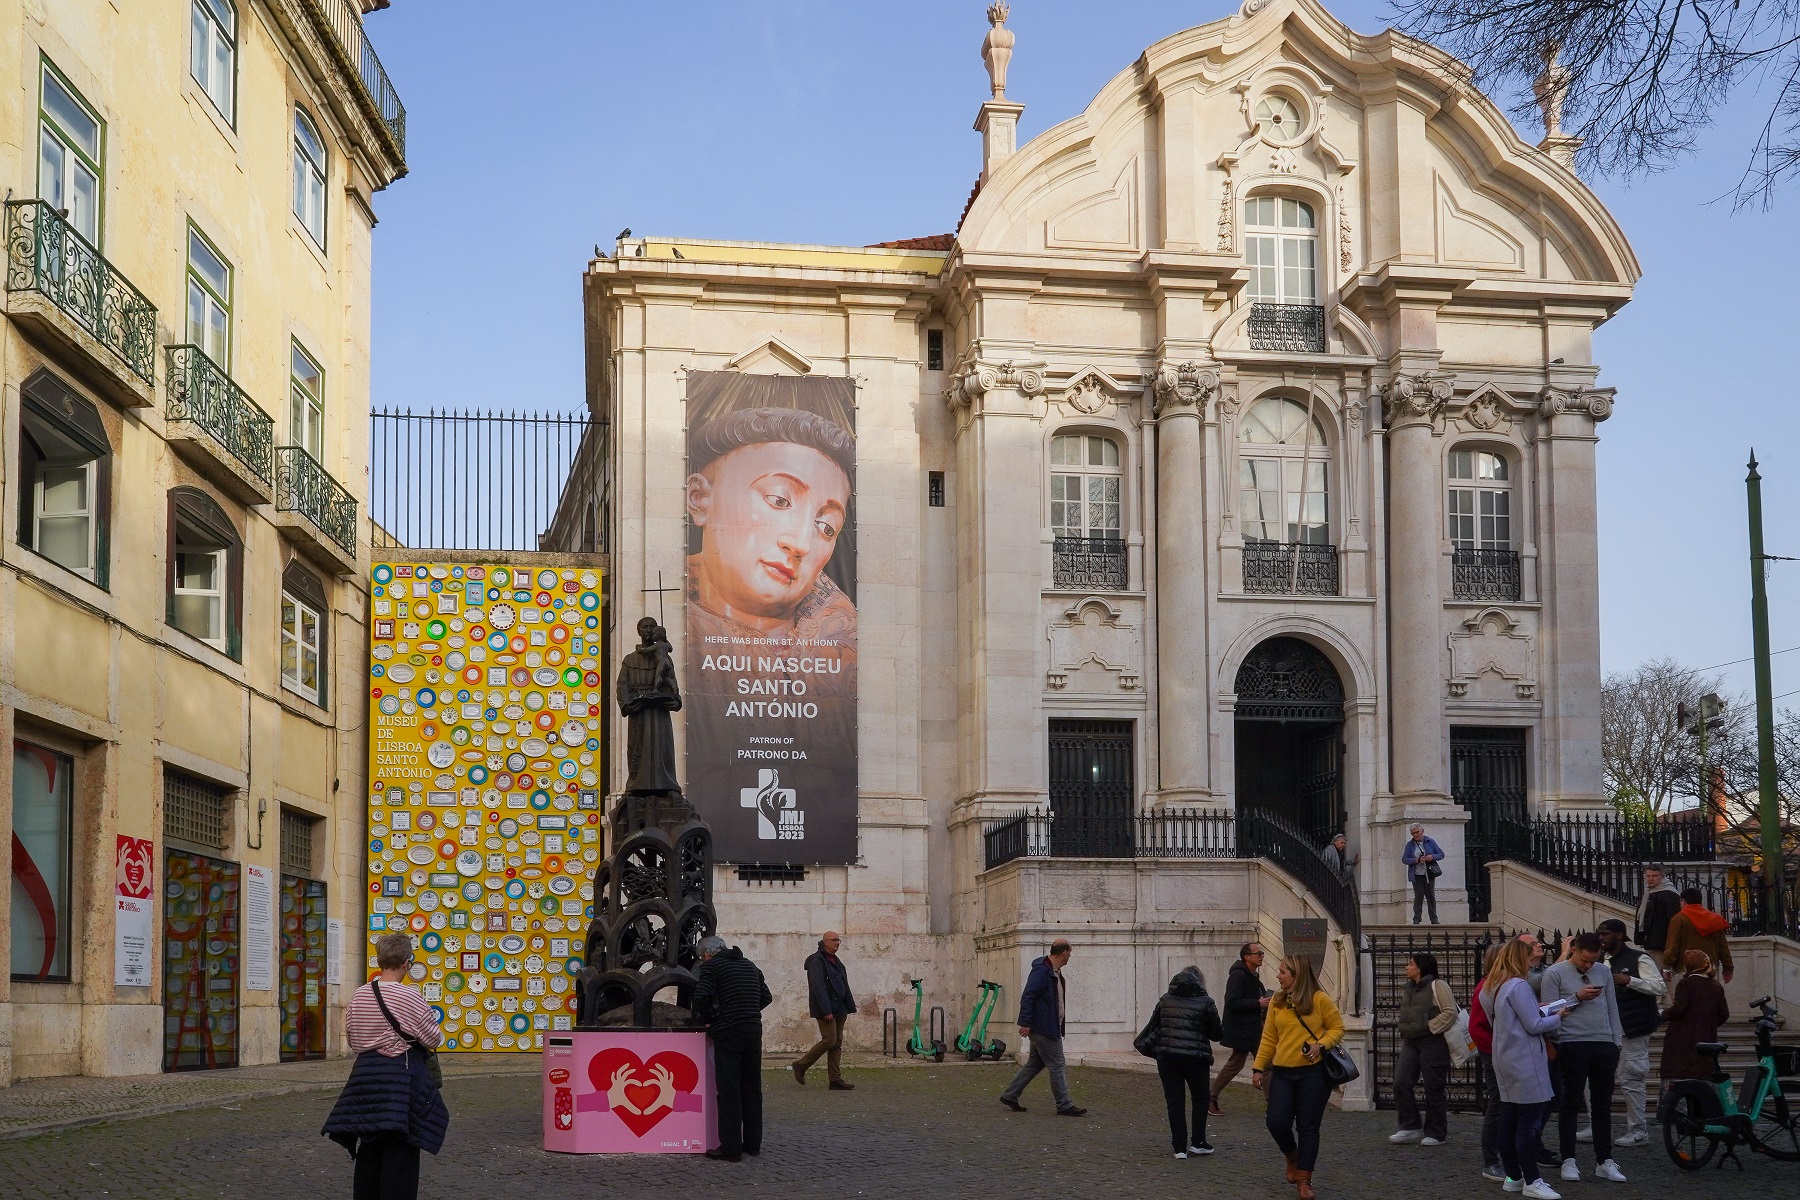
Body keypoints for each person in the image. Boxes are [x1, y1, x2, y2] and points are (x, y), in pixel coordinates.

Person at [321, 933, 448, 1200]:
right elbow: (433, 1038)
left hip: (366, 1077)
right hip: (401, 1080)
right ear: (406, 962)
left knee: (369, 1147)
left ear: (380, 961)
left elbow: (354, 1039)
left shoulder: (359, 995)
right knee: (401, 1151)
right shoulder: (410, 997)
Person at [1252, 955, 1344, 1200]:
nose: (1278, 975)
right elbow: (1269, 1037)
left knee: (1308, 1128)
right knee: (1276, 1122)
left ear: (1297, 975)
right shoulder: (1277, 1002)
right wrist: (1258, 1067)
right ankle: (1292, 1156)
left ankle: (1304, 1180)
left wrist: (1321, 1045)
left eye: (1283, 972)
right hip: (1282, 1072)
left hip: (1313, 1074)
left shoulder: (1319, 999)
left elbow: (1337, 1028)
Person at [1538, 932, 1627, 1183]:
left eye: (1593, 961)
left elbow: (1612, 1007)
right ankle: (1569, 1159)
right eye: (1584, 961)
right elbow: (1547, 1011)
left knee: (1602, 1104)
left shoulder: (1604, 971)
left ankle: (1604, 1160)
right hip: (1570, 1042)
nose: (1588, 966)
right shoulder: (1554, 973)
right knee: (1570, 1103)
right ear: (1573, 949)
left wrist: (1616, 1041)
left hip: (1603, 1043)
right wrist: (1575, 998)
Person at [1486, 938, 1567, 1200]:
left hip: (1507, 1059)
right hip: (1524, 1061)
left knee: (1509, 1120)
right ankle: (1531, 1179)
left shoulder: (1495, 986)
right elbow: (1533, 1025)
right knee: (1527, 1124)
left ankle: (1514, 1176)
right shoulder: (1518, 986)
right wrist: (1557, 1016)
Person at [693, 935, 773, 1161]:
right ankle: (753, 1144)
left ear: (707, 954)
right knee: (752, 1089)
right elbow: (766, 996)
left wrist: (712, 1019)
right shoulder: (750, 965)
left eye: (702, 957)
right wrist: (745, 1009)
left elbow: (701, 996)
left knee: (729, 1091)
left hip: (728, 1033)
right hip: (752, 1030)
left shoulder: (712, 967)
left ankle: (730, 1148)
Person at [1593, 918, 1665, 1148]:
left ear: (1619, 934)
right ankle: (1595, 1125)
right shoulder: (1599, 960)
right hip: (1606, 1027)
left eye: (1605, 934)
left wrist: (1630, 980)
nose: (1601, 938)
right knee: (1594, 1077)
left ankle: (1638, 1129)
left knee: (1632, 1076)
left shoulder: (1639, 958)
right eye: (1599, 934)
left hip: (1633, 1027)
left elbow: (1659, 987)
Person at [999, 938, 1087, 1116]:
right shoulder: (1042, 971)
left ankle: (1010, 1095)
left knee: (1035, 1064)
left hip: (1047, 1025)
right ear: (1063, 953)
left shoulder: (1054, 972)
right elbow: (1028, 996)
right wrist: (1025, 1022)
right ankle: (1064, 1104)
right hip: (1044, 1027)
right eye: (1069, 952)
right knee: (1057, 1064)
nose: (1070, 956)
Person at [1147, 965, 1225, 1159]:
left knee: (1175, 1102)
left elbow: (1155, 1027)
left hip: (1167, 1057)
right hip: (1195, 1058)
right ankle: (1198, 1142)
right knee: (1200, 1099)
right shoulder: (1206, 1002)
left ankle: (1179, 1147)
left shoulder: (1165, 1000)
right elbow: (1217, 1034)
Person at [1390, 950, 1457, 1147]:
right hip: (1411, 1041)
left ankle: (1436, 1132)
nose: (1407, 967)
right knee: (1401, 1081)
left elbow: (1450, 1011)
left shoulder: (1438, 986)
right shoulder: (1409, 988)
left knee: (1433, 1087)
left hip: (1432, 1042)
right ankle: (1410, 1126)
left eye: (1410, 964)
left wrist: (1429, 1027)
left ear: (1420, 968)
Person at [792, 930, 857, 1089]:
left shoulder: (835, 961)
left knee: (837, 1043)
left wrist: (849, 1006)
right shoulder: (817, 962)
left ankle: (835, 1080)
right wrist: (826, 1009)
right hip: (827, 1009)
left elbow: (843, 984)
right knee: (830, 1040)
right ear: (825, 942)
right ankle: (801, 1065)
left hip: (840, 1008)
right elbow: (818, 987)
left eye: (838, 940)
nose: (837, 943)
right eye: (834, 940)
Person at [1211, 942, 1270, 1116]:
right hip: (1244, 1029)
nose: (1261, 956)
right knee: (1265, 1064)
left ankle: (1211, 1096)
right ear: (1247, 957)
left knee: (1245, 1063)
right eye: (1258, 953)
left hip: (1251, 1028)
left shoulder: (1252, 976)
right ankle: (1273, 1104)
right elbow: (1232, 1002)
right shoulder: (1238, 976)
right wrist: (1257, 1003)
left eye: (1262, 953)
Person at [1660, 949, 1731, 1081]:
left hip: (1682, 1040)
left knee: (1679, 1076)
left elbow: (1679, 1008)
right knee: (1701, 1077)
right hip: (1705, 1040)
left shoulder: (1686, 983)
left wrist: (1662, 1015)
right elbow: (1724, 1014)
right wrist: (1708, 1023)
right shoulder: (1716, 986)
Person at [1470, 944, 1506, 1182]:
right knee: (1498, 1103)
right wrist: (1494, 1050)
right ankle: (1491, 1160)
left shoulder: (1503, 985)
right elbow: (1476, 1027)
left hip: (1502, 1051)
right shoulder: (1488, 987)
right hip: (1495, 1052)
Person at [1661, 887, 1734, 983]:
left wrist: (1666, 966)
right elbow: (1723, 947)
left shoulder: (1679, 919)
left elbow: (1672, 946)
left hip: (1685, 968)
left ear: (1683, 902)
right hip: (1709, 968)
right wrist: (1728, 968)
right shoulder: (1715, 919)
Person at [1633, 864, 1683, 957]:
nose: (1650, 879)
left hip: (1661, 946)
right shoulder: (1648, 893)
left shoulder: (1670, 894)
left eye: (1654, 876)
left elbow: (1673, 922)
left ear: (1663, 877)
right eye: (1648, 876)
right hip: (1650, 943)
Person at [1402, 824, 1446, 924]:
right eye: (1413, 833)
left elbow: (1441, 854)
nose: (1415, 835)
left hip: (1429, 873)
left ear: (1422, 831)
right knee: (1419, 895)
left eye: (1417, 832)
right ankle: (1417, 919)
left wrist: (1432, 857)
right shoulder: (1410, 845)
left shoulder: (1430, 842)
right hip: (1417, 874)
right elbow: (1404, 859)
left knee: (1430, 895)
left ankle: (1434, 918)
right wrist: (1416, 860)